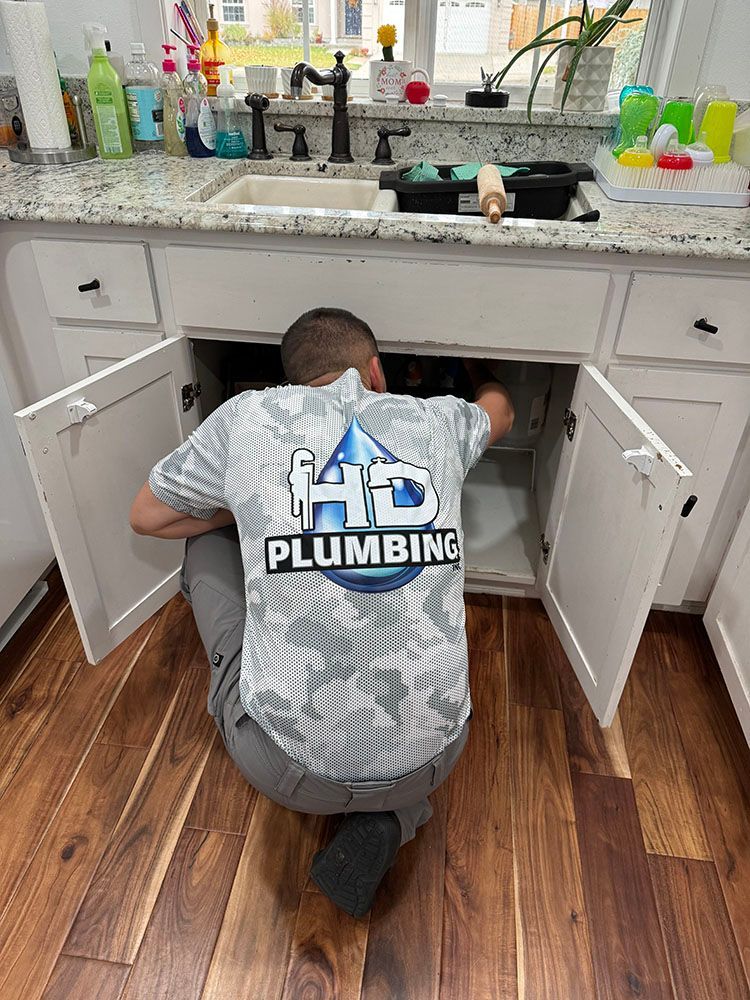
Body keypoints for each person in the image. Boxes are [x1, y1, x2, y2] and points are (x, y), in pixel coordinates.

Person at [130, 308, 513, 917]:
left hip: (287, 771)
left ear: (286, 379)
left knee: (200, 540)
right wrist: (479, 370)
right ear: (376, 371)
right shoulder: (435, 418)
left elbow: (147, 516)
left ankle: (359, 793)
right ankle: (398, 810)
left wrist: (251, 506)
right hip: (435, 759)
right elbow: (501, 412)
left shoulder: (245, 419)